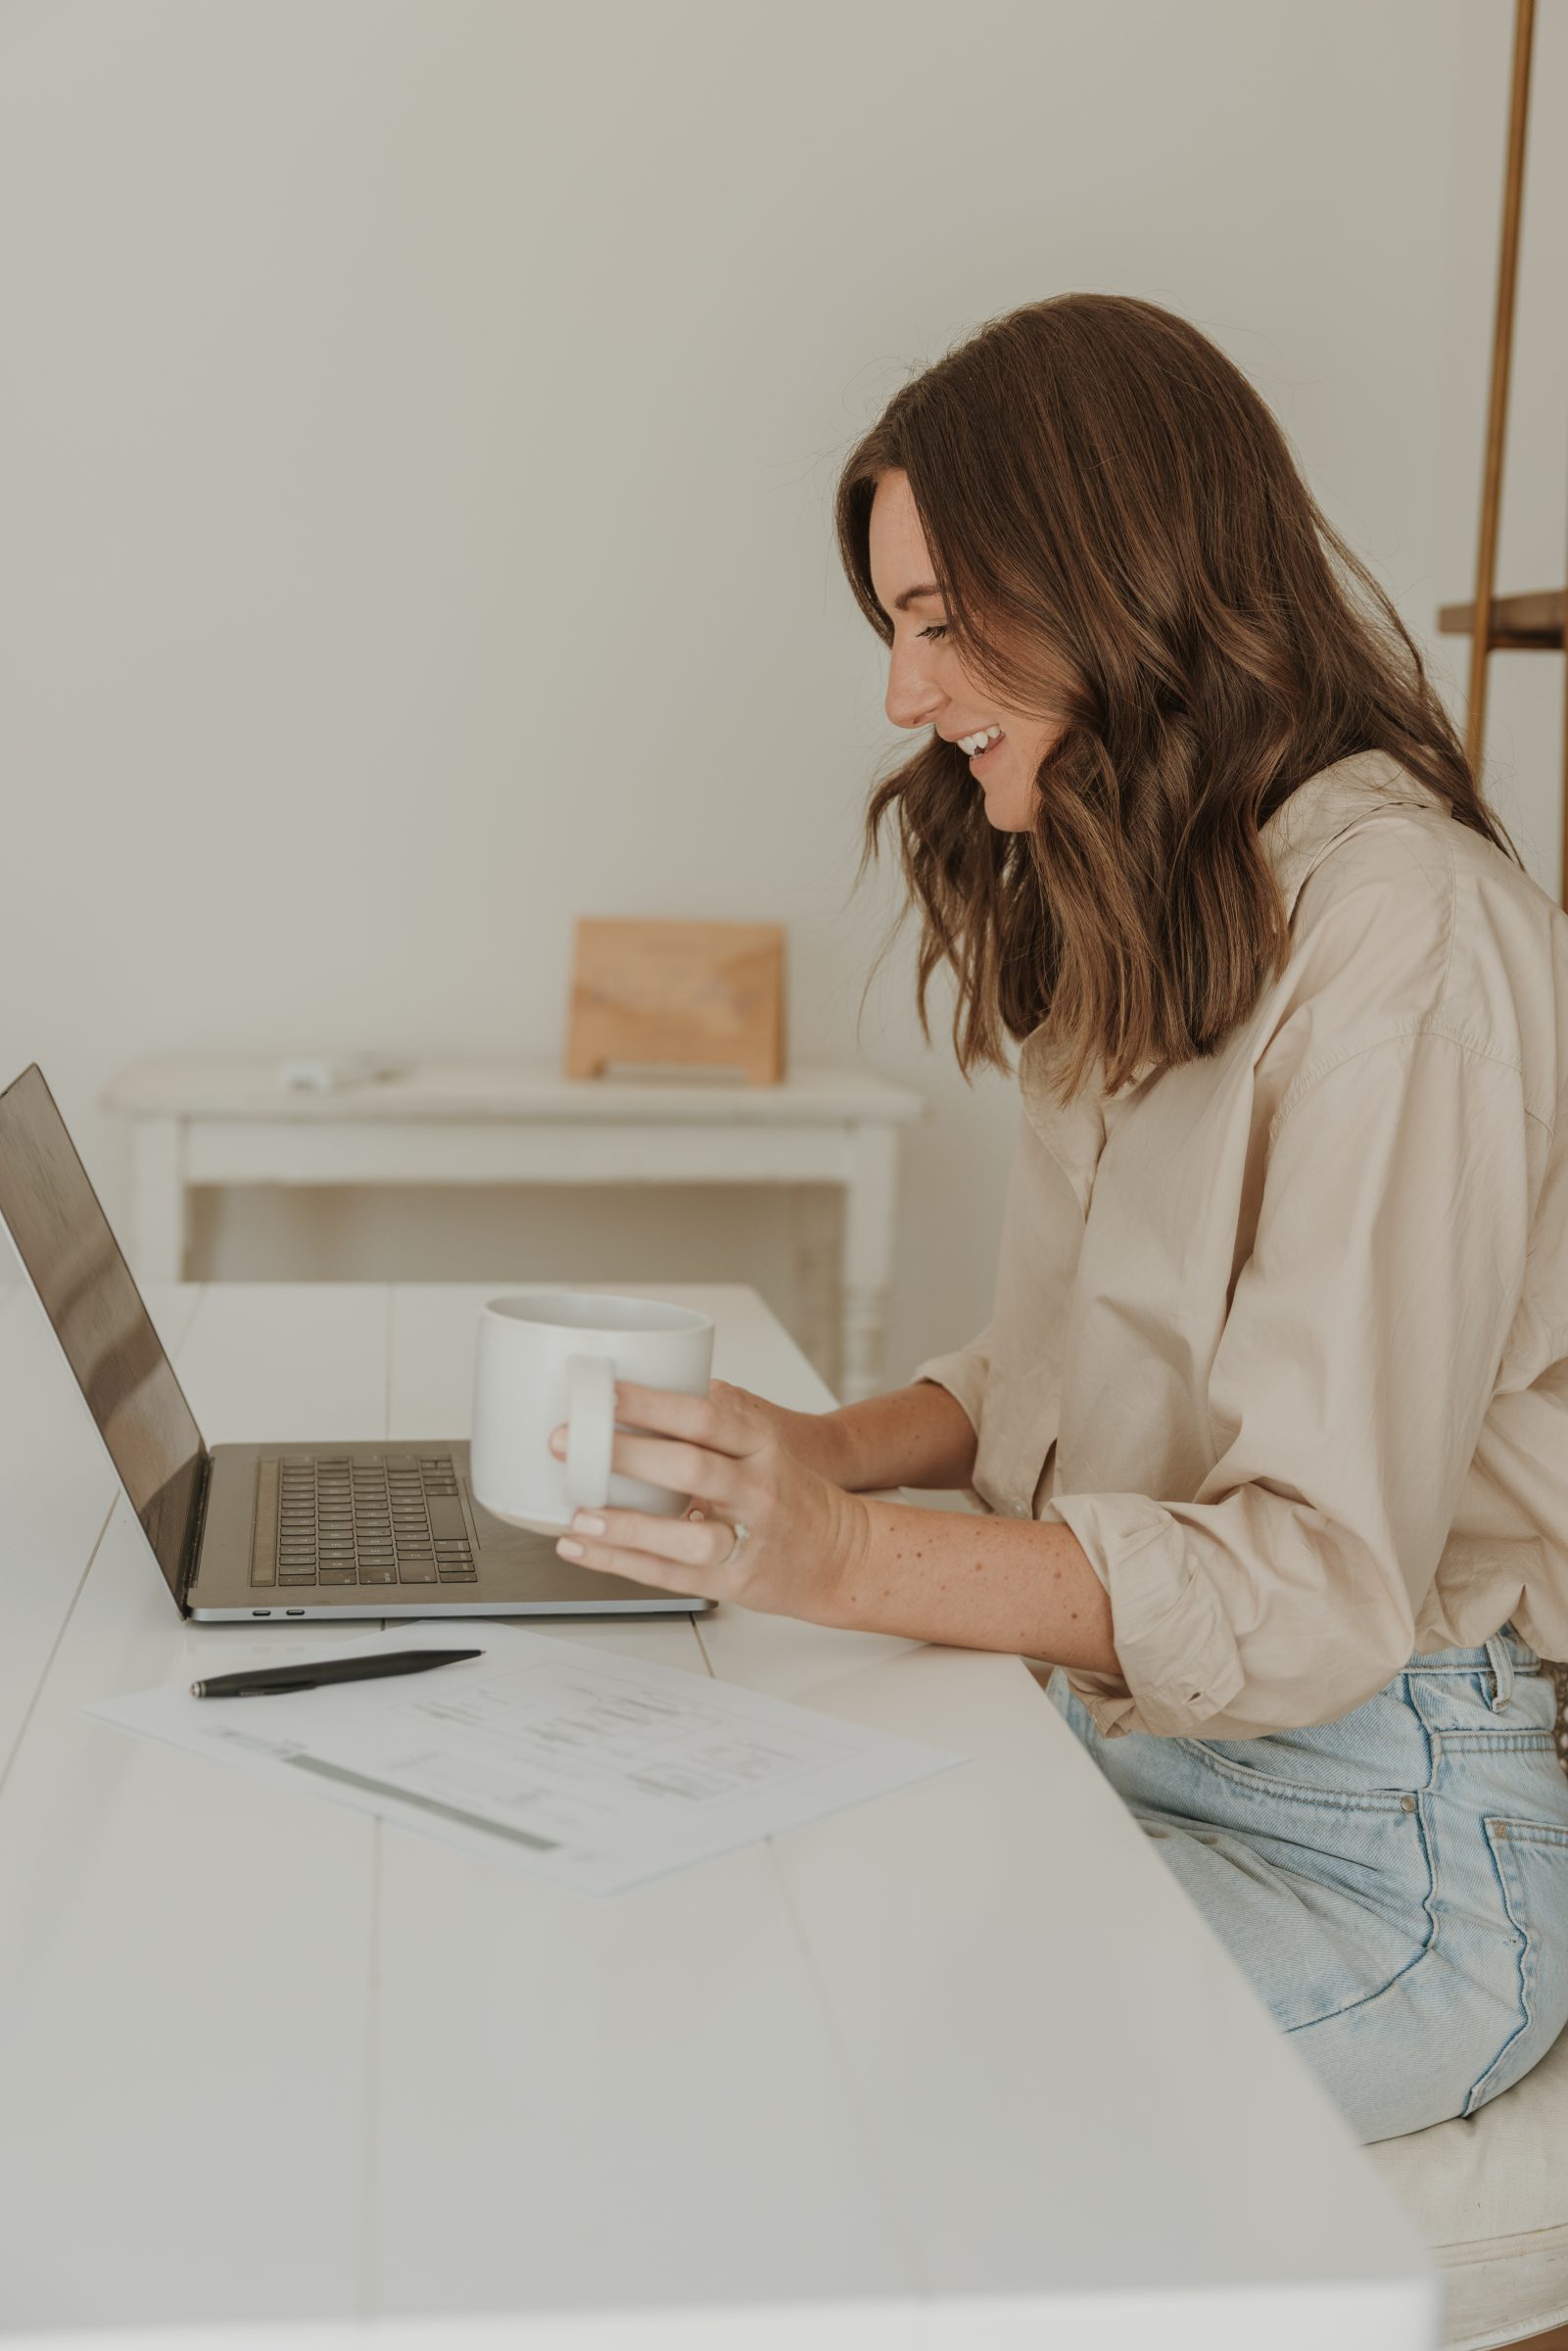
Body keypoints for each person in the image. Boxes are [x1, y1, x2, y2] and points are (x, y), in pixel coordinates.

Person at [546, 293, 1568, 2143]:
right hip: (1140, 1742)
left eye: (939, 621)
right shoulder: (1160, 871)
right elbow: (1075, 1355)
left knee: (809, 2087)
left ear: (1120, 573)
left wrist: (840, 1557)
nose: (901, 693)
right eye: (895, 625)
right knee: (653, 1928)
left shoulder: (1398, 926)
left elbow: (1321, 1582)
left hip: (1388, 1851)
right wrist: (819, 1452)